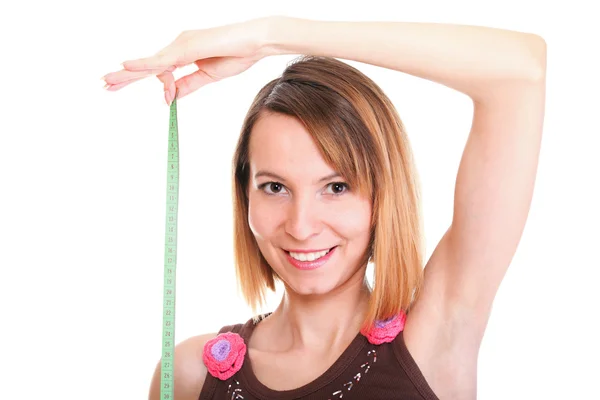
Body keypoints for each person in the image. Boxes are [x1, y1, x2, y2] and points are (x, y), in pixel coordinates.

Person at [103, 15, 547, 400]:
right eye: (275, 187)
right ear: (245, 196)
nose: (300, 226)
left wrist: (271, 37)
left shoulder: (438, 333)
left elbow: (520, 72)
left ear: (381, 196)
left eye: (335, 187)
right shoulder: (188, 376)